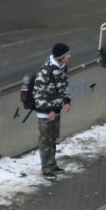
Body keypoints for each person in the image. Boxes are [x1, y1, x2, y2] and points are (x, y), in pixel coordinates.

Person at [33, 42, 72, 179]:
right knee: (46, 141)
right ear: (61, 57)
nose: (69, 56)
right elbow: (37, 95)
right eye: (67, 54)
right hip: (45, 113)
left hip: (56, 111)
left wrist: (67, 100)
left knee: (53, 138)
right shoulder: (46, 72)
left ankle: (52, 164)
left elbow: (63, 86)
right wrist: (48, 110)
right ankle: (46, 169)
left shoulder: (62, 68)